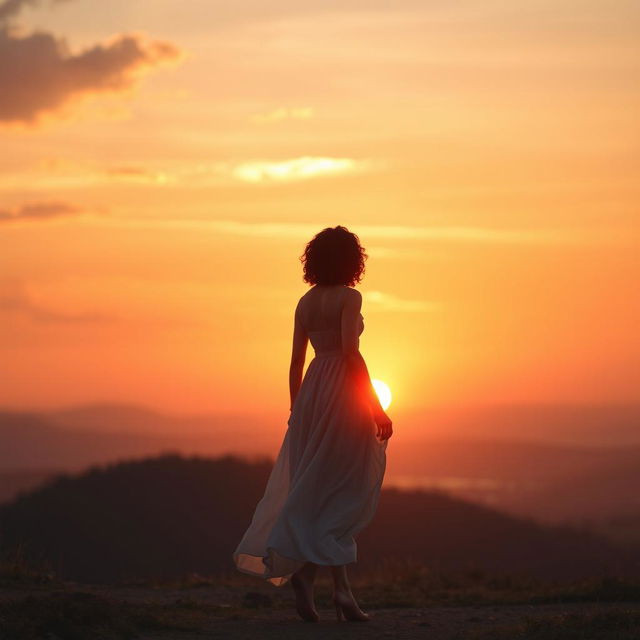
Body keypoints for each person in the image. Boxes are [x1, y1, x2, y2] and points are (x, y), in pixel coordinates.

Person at [232, 225, 393, 622]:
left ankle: (336, 589)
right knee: (340, 487)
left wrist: (295, 409)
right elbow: (351, 354)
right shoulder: (350, 297)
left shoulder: (304, 303)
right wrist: (376, 407)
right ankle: (330, 587)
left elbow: (294, 364)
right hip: (343, 393)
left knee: (320, 488)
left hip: (311, 396)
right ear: (352, 261)